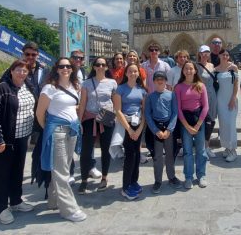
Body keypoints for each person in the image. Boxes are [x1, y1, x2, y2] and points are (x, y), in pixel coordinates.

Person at [36, 57, 86, 222]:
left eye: (68, 66)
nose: (65, 69)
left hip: (72, 130)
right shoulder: (49, 88)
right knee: (62, 171)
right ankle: (69, 209)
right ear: (56, 69)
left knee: (62, 167)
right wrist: (50, 129)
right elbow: (39, 114)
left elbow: (72, 106)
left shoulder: (74, 86)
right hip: (57, 131)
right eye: (62, 66)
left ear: (72, 69)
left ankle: (53, 201)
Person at [0, 59, 36, 224]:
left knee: (17, 171)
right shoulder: (1, 90)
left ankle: (15, 201)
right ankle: (1, 208)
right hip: (5, 141)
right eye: (18, 70)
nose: (22, 73)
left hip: (22, 138)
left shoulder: (27, 87)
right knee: (2, 174)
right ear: (11, 71)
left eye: (25, 70)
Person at [77, 57, 118, 194]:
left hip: (107, 118)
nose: (100, 66)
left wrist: (117, 117)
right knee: (86, 151)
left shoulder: (112, 83)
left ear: (107, 67)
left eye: (103, 64)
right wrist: (79, 121)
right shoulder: (86, 83)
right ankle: (84, 180)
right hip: (89, 118)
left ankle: (104, 177)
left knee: (106, 150)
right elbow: (82, 103)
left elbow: (115, 102)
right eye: (98, 64)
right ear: (94, 67)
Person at [144, 71, 182, 194]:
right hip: (156, 129)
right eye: (157, 79)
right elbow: (148, 114)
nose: (160, 81)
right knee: (157, 157)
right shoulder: (150, 97)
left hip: (168, 130)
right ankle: (158, 180)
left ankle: (171, 177)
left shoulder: (171, 95)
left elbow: (175, 113)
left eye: (162, 79)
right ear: (154, 82)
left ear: (166, 81)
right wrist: (155, 130)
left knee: (170, 155)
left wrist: (169, 129)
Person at [114, 63, 147, 200]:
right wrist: (129, 129)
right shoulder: (119, 89)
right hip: (125, 124)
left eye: (135, 71)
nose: (133, 73)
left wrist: (139, 129)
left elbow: (144, 111)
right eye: (130, 71)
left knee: (137, 155)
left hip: (138, 124)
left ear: (138, 74)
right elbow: (118, 110)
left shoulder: (142, 90)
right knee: (129, 155)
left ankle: (134, 181)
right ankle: (125, 187)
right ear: (126, 73)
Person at [174, 62, 209, 189]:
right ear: (183, 71)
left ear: (195, 71)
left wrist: (199, 124)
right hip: (185, 121)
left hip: (198, 120)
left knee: (201, 150)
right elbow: (178, 108)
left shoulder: (201, 86)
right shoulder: (178, 87)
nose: (189, 71)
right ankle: (188, 177)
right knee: (188, 151)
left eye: (191, 68)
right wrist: (187, 126)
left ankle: (201, 175)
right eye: (186, 69)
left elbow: (206, 107)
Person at [68, 49, 100, 183]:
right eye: (75, 58)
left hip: (83, 112)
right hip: (70, 112)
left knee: (88, 141)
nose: (78, 60)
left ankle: (90, 166)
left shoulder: (84, 73)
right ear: (71, 58)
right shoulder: (66, 73)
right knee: (70, 141)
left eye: (81, 58)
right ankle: (70, 171)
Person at [214, 49, 239, 162]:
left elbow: (236, 84)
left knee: (231, 124)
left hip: (231, 99)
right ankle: (226, 147)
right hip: (220, 100)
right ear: (219, 56)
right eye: (223, 55)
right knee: (223, 124)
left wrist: (233, 98)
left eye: (227, 55)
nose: (225, 56)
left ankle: (233, 149)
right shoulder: (216, 69)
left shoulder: (233, 67)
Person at [196, 45, 217, 159]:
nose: (205, 54)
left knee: (211, 120)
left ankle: (206, 146)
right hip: (201, 96)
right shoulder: (196, 66)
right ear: (199, 53)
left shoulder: (211, 65)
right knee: (203, 121)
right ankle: (202, 147)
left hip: (212, 94)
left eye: (207, 52)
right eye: (203, 52)